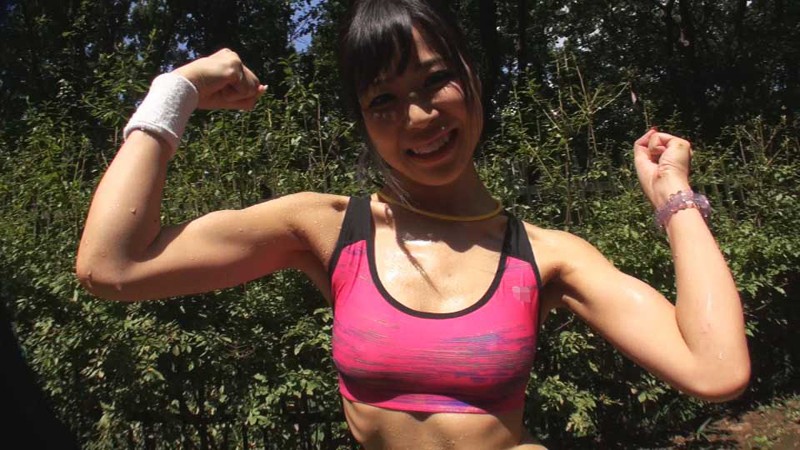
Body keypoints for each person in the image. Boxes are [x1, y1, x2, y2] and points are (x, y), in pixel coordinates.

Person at [75, 0, 750, 448]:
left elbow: (715, 369)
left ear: (473, 77)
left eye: (434, 82)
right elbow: (111, 267)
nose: (419, 117)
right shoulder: (326, 228)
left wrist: (674, 196)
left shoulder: (546, 256)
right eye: (384, 100)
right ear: (364, 122)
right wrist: (177, 90)